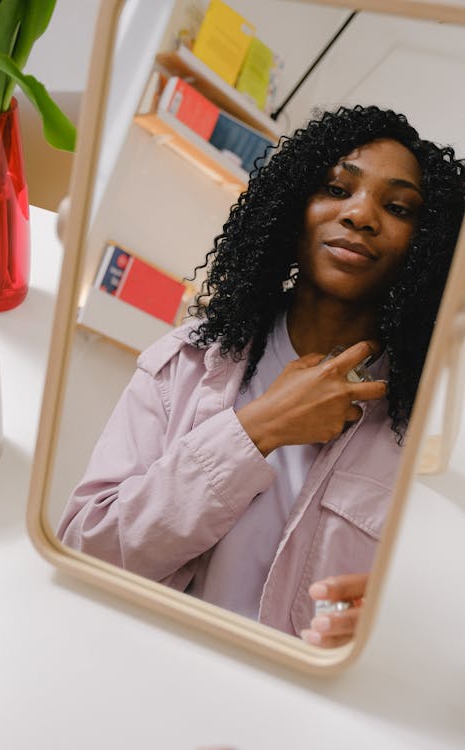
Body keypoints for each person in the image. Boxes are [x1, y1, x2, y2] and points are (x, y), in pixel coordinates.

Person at [57, 105, 464, 648]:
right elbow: (86, 549)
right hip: (151, 676)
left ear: (427, 250)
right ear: (292, 211)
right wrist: (255, 430)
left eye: (397, 207)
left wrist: (394, 627)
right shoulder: (186, 362)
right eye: (336, 189)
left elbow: (435, 615)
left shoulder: (433, 427)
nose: (361, 215)